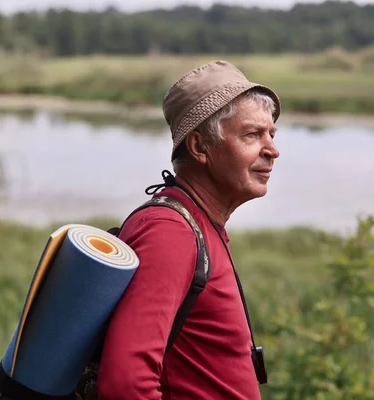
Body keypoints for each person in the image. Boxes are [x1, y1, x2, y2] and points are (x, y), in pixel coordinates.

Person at [96, 60, 281, 399]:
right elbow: (126, 386)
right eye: (252, 135)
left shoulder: (197, 223)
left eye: (271, 134)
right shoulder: (170, 232)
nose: (272, 150)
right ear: (199, 148)